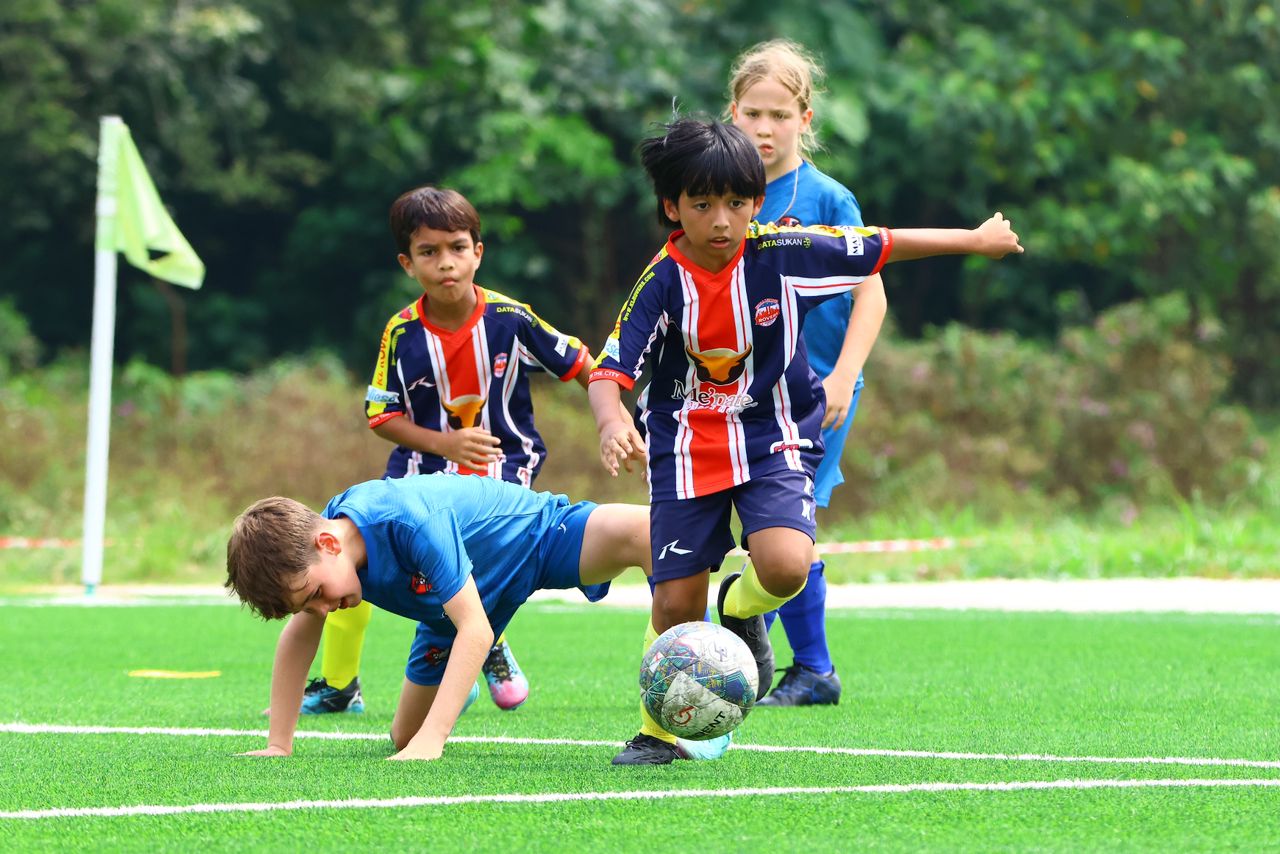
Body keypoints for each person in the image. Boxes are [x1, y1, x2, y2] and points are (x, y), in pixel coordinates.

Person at [588, 116, 1022, 764]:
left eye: (737, 203)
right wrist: (613, 419)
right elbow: (611, 367)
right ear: (672, 207)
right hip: (685, 446)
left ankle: (740, 604)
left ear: (757, 203)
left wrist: (975, 240)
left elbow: (878, 245)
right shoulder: (663, 279)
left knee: (787, 566)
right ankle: (657, 732)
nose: (722, 220)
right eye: (702, 205)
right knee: (676, 603)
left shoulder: (782, 253)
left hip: (774, 435)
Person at [300, 186, 601, 717]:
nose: (446, 263)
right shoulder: (401, 332)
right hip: (421, 471)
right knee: (352, 560)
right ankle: (344, 681)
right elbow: (380, 414)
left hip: (502, 470)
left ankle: (482, 641)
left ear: (478, 253)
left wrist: (613, 418)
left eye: (458, 248)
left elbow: (580, 363)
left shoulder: (511, 318)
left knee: (475, 567)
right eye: (429, 252)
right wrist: (444, 442)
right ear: (406, 263)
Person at [227, 474, 651, 761]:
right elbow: (300, 636)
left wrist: (435, 739)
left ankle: (693, 699)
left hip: (536, 542)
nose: (321, 609)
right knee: (403, 739)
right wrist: (279, 744)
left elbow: (477, 629)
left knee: (649, 533)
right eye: (308, 605)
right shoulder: (326, 553)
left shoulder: (407, 522)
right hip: (450, 616)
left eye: (316, 595)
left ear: (328, 543)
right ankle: (458, 685)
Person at [728, 39, 883, 706]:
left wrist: (845, 376)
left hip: (815, 392)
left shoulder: (826, 198)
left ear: (805, 118)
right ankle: (750, 632)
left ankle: (812, 667)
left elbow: (871, 291)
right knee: (753, 529)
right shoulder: (719, 193)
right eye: (752, 114)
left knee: (792, 523)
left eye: (779, 116)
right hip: (737, 394)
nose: (765, 129)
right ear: (732, 113)